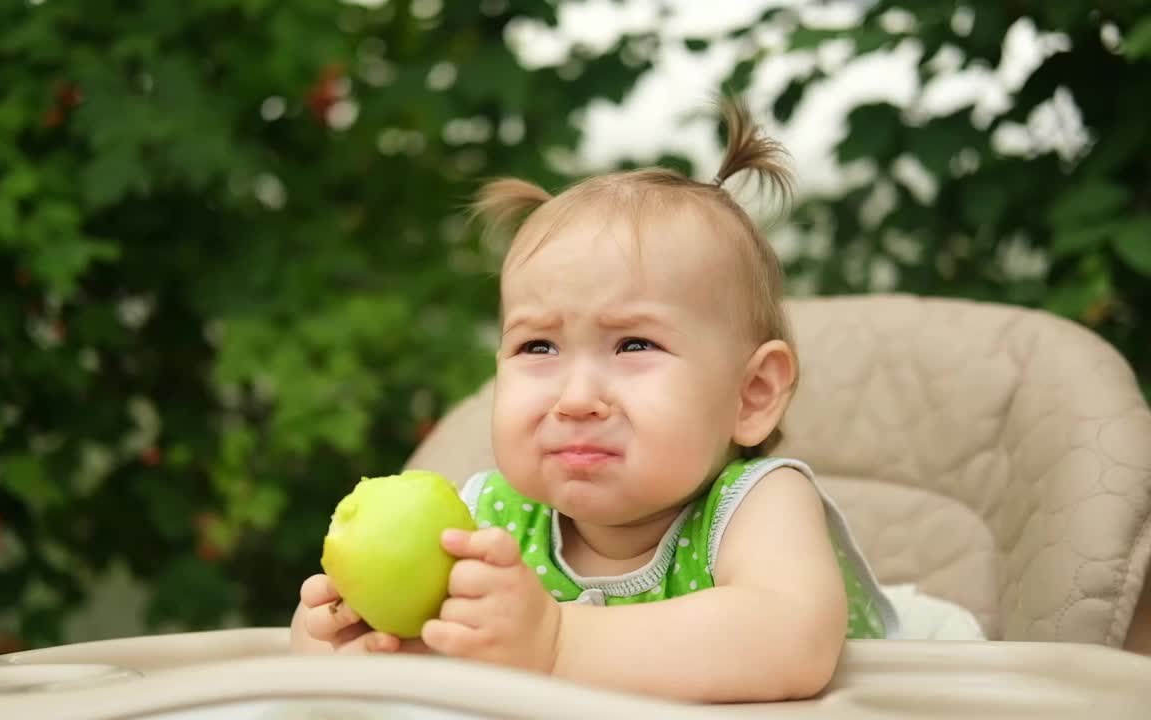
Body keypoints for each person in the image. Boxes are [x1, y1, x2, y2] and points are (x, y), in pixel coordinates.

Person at [290, 99, 898, 703]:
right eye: (538, 347)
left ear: (752, 393)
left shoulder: (756, 504)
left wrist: (555, 642)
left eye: (634, 344)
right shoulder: (485, 523)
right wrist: (351, 635)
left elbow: (790, 641)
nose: (576, 399)